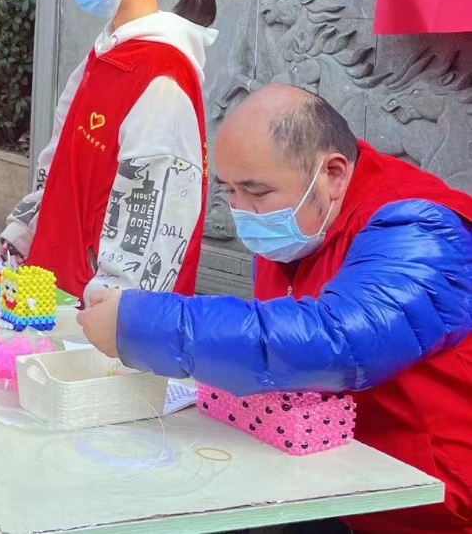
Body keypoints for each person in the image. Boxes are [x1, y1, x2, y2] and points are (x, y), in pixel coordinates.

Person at [80, 86, 472, 534]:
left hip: (427, 497)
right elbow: (270, 328)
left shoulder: (422, 229)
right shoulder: (299, 223)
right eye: (230, 190)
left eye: (256, 191)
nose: (242, 211)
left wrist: (140, 325)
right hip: (329, 471)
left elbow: (336, 341)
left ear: (333, 173)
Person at [0, 0, 218, 306]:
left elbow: (154, 211)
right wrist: (24, 231)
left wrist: (113, 304)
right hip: (57, 278)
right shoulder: (104, 55)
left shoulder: (161, 76)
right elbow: (58, 158)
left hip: (102, 307)